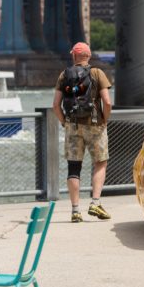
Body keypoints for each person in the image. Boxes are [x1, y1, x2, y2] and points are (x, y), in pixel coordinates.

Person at [53, 42, 113, 223]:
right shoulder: (97, 73)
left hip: (72, 126)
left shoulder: (64, 75)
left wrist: (64, 122)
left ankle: (75, 211)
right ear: (89, 56)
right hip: (95, 125)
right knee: (100, 163)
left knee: (74, 167)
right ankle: (95, 202)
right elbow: (107, 102)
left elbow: (55, 105)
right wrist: (104, 119)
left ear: (74, 56)